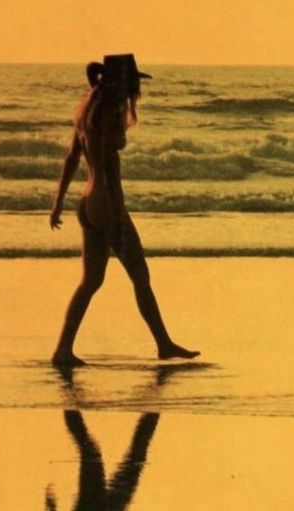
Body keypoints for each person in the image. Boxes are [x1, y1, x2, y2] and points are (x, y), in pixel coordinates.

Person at [49, 54, 200, 367]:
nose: (136, 88)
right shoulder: (109, 111)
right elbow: (105, 161)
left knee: (91, 281)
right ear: (121, 82)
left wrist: (58, 203)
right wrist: (116, 212)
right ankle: (164, 344)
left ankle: (63, 349)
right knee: (140, 275)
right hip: (107, 201)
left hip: (88, 202)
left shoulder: (87, 109)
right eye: (133, 82)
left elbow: (72, 159)